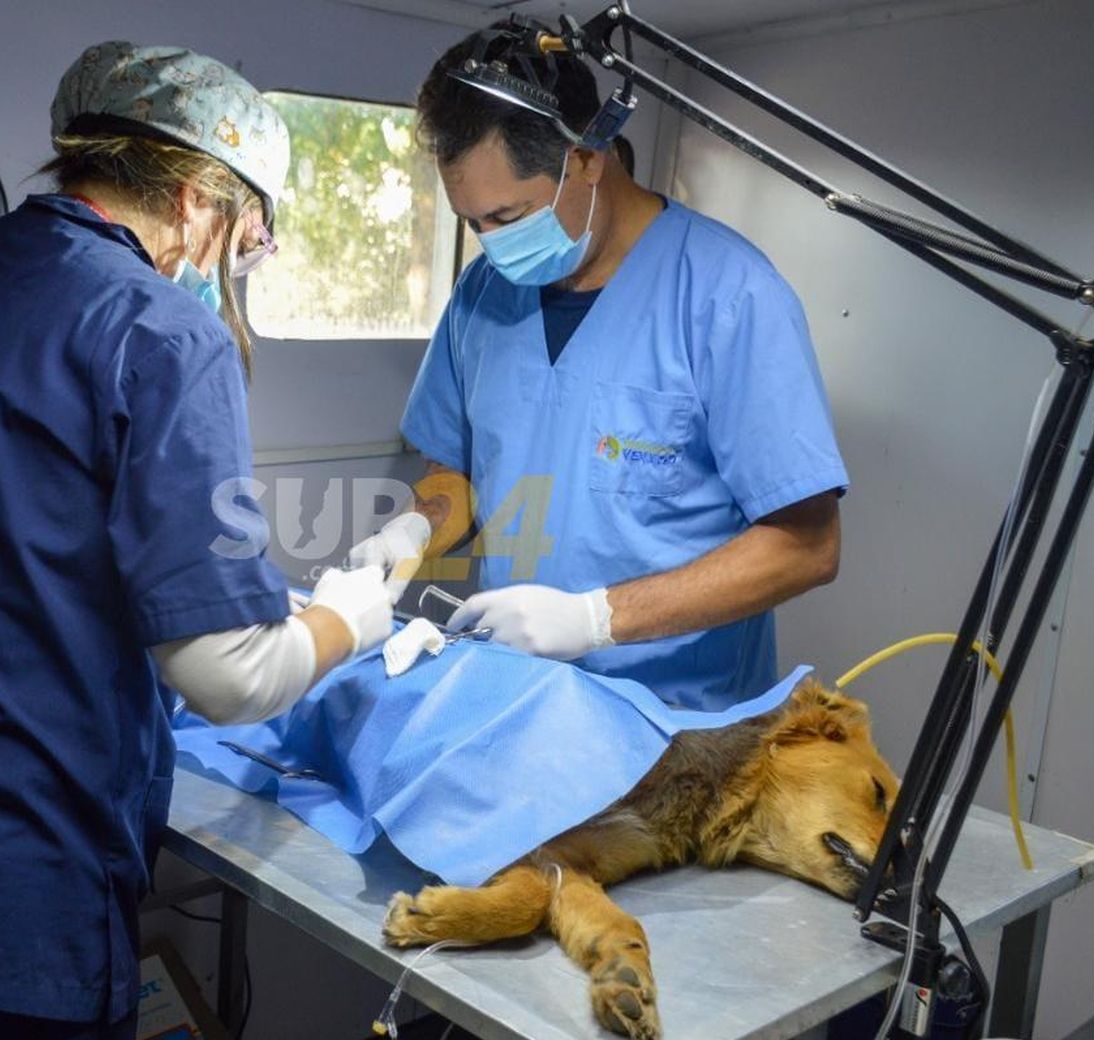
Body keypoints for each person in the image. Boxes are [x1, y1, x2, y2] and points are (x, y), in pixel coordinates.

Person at [0, 42, 393, 1040]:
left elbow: (5, 559)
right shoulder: (162, 335)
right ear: (193, 200)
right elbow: (233, 673)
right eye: (252, 234)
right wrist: (348, 619)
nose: (241, 262)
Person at [350, 25, 848, 712]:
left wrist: (595, 619)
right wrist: (408, 534)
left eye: (508, 215)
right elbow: (455, 477)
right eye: (473, 224)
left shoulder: (728, 297)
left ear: (587, 159)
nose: (492, 247)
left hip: (678, 729)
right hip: (521, 698)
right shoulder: (482, 297)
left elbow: (806, 547)